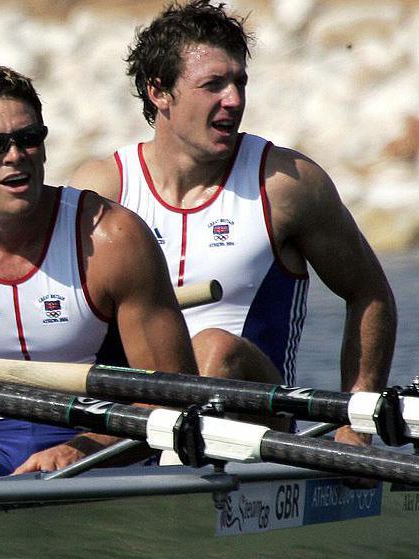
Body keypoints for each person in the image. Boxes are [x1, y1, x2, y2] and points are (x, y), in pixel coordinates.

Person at [69, 0, 397, 446]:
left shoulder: (286, 184)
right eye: (213, 85)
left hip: (255, 417)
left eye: (239, 82)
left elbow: (370, 294)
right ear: (158, 91)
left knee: (212, 349)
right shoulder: (102, 188)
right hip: (135, 419)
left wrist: (355, 424)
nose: (234, 100)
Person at [0, 63, 198, 482]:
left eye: (29, 139)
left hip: (101, 429)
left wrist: (81, 449)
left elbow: (172, 396)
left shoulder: (112, 236)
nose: (15, 156)